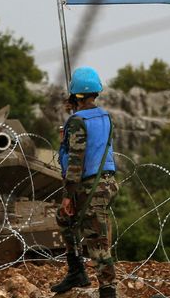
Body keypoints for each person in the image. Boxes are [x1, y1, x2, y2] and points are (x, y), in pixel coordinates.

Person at [52, 67, 118, 298]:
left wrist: (68, 195)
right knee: (64, 219)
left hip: (90, 185)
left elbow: (76, 162)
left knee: (97, 240)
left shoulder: (77, 121)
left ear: (75, 95)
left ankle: (108, 291)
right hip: (106, 182)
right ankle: (77, 270)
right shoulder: (106, 117)